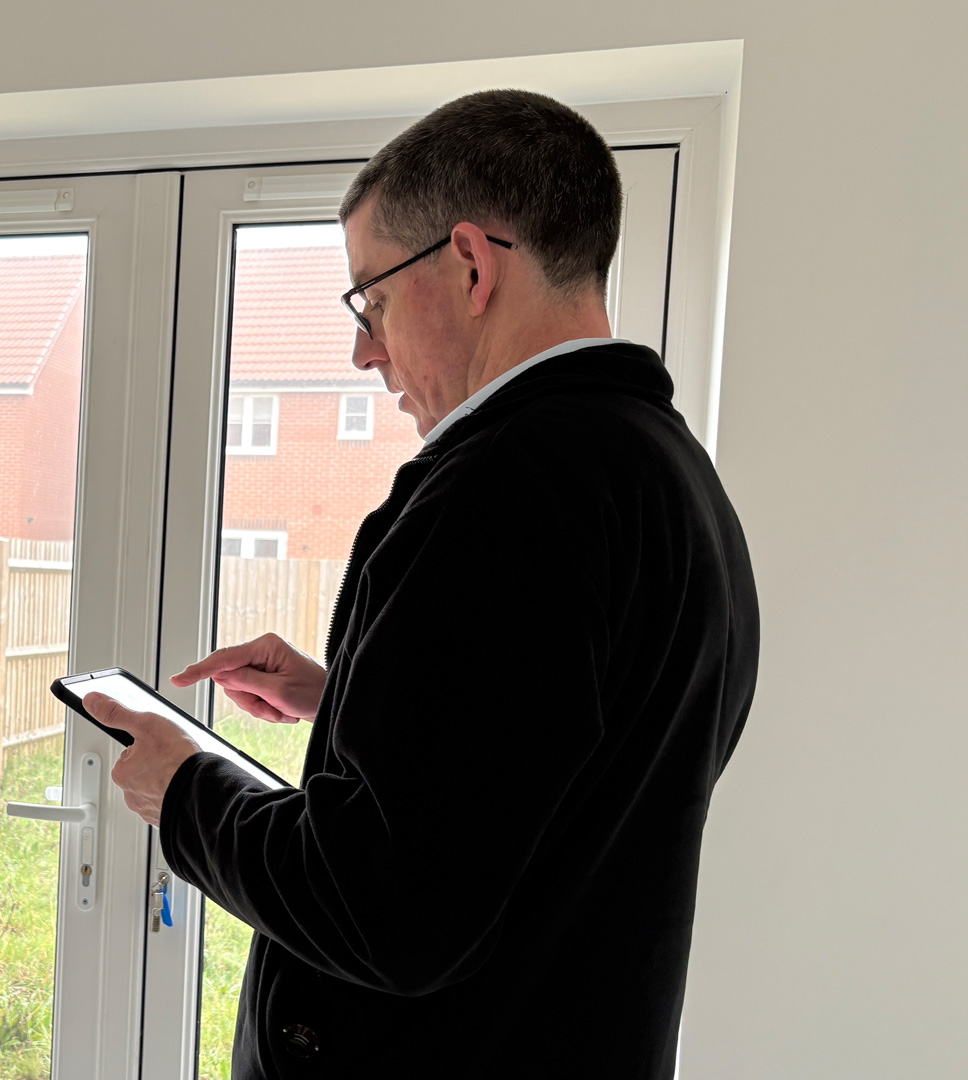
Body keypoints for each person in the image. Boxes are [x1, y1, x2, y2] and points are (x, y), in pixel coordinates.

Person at [84, 89, 759, 1078]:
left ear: (472, 263)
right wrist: (353, 694)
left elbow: (386, 910)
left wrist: (184, 794)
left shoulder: (507, 490)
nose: (364, 350)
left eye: (374, 300)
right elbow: (544, 771)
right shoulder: (670, 479)